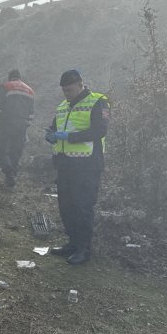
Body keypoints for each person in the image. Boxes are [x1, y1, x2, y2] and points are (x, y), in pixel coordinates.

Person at [45, 69, 109, 265]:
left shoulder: (98, 101)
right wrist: (50, 135)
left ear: (81, 85)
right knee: (66, 207)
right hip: (65, 164)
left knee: (82, 207)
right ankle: (72, 243)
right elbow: (55, 128)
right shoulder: (63, 106)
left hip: (87, 165)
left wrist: (69, 137)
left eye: (70, 90)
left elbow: (99, 130)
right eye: (64, 91)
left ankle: (84, 249)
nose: (67, 94)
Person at [0, 69, 35, 188]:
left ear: (10, 78)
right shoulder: (30, 90)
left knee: (1, 150)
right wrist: (26, 125)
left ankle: (9, 173)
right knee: (16, 151)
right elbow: (31, 113)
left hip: (7, 123)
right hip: (22, 125)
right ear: (20, 78)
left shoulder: (6, 86)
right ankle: (12, 178)